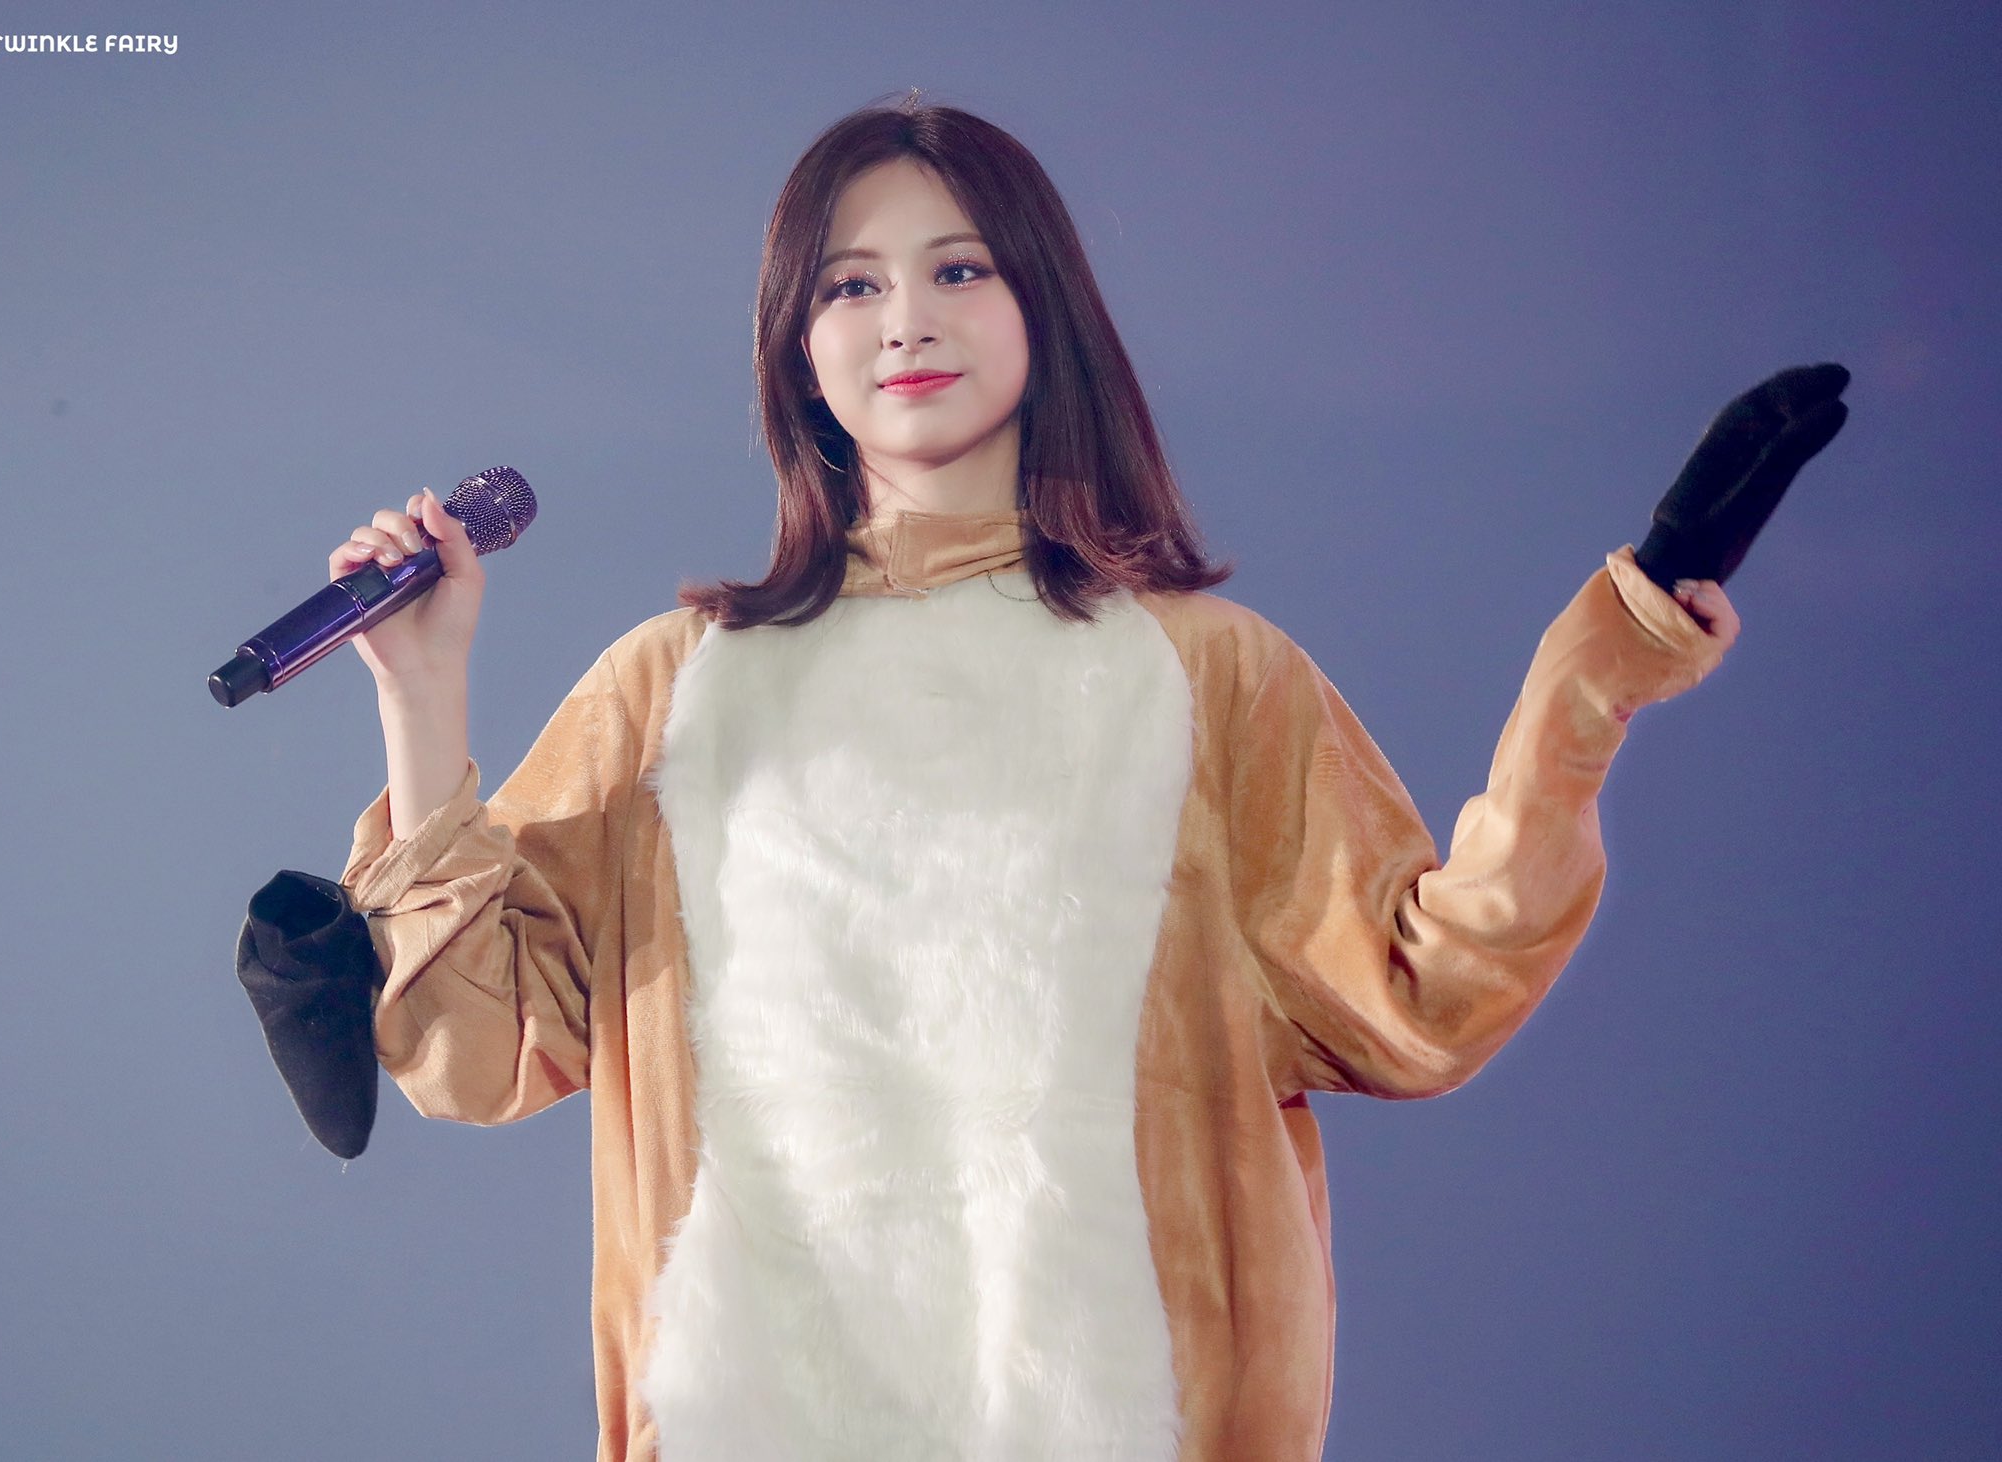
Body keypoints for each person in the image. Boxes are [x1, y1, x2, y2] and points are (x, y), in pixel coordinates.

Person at [329, 96, 1839, 1462]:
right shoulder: (674, 688)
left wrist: (1595, 678)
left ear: (1043, 306)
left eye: (959, 268)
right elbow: (475, 1050)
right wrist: (419, 689)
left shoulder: (1206, 675)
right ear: (794, 344)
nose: (906, 319)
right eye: (850, 285)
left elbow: (1424, 995)